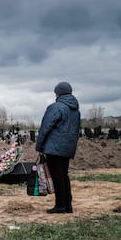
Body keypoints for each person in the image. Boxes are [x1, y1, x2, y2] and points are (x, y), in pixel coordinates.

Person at [36, 82, 80, 214]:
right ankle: (68, 206)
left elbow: (45, 127)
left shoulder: (55, 107)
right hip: (68, 148)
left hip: (54, 147)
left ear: (58, 93)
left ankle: (60, 206)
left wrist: (40, 146)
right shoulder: (75, 110)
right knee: (64, 175)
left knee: (57, 176)